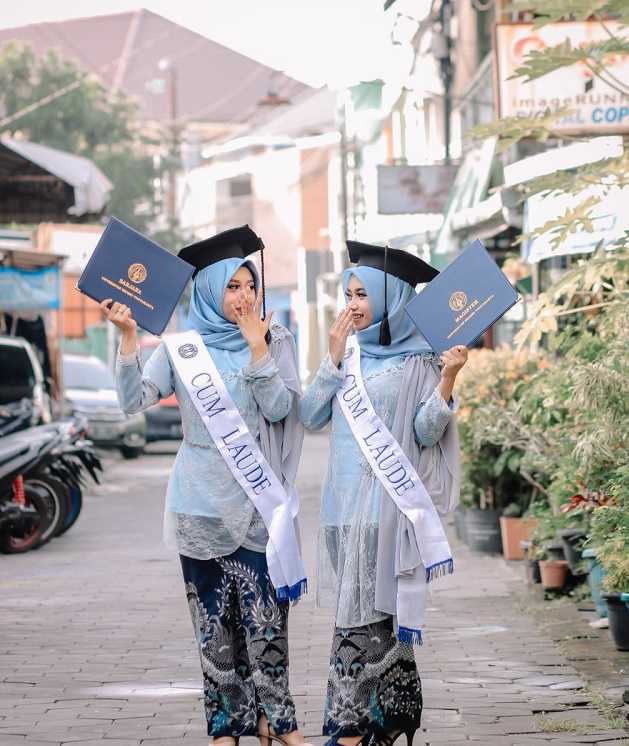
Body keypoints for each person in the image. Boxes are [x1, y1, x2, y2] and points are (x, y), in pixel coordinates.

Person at [102, 225, 311, 746]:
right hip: (200, 508)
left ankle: (277, 722)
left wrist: (257, 350)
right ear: (210, 289)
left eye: (250, 285)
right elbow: (134, 402)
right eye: (232, 286)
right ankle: (226, 730)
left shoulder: (274, 339)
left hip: (260, 509)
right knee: (215, 634)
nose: (243, 296)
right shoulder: (181, 350)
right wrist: (129, 340)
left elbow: (284, 410)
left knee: (266, 630)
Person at [299, 241, 468, 746]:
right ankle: (385, 722)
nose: (352, 304)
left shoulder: (421, 357)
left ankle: (354, 728)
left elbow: (424, 433)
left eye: (361, 295)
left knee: (372, 622)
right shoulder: (346, 354)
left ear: (390, 295)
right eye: (348, 294)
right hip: (340, 511)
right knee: (356, 618)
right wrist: (330, 359)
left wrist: (447, 381)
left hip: (388, 510)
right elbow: (310, 416)